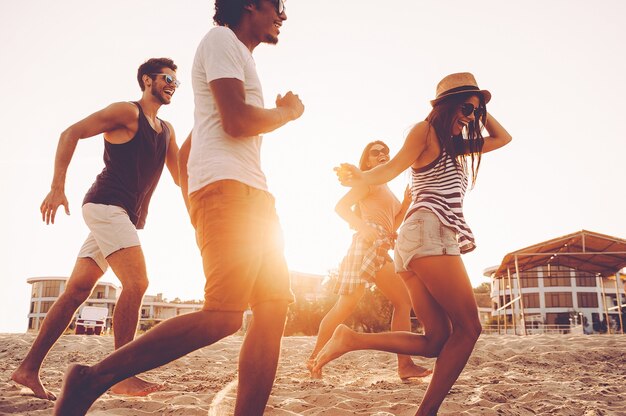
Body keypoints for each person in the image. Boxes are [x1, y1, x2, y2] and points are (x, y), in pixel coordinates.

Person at [53, 0, 304, 415]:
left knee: (273, 308)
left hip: (252, 193)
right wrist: (287, 113)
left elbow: (193, 144)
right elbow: (236, 122)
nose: (283, 15)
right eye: (277, 5)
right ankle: (91, 378)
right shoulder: (221, 39)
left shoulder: (238, 55)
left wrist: (193, 197)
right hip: (229, 191)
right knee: (224, 315)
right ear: (249, 5)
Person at [313, 72, 512, 415]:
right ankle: (427, 411)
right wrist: (360, 176)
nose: (469, 118)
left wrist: (480, 108)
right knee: (469, 328)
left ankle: (352, 339)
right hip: (428, 234)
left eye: (474, 113)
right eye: (465, 108)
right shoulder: (424, 132)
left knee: (437, 340)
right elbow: (391, 168)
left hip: (414, 240)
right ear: (446, 105)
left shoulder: (457, 146)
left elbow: (503, 138)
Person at [11, 57, 180, 400]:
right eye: (167, 78)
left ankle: (27, 369)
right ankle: (121, 375)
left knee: (77, 291)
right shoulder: (126, 112)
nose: (172, 85)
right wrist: (57, 186)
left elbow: (183, 177)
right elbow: (70, 132)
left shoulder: (167, 131)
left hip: (120, 216)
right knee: (137, 282)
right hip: (106, 206)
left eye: (175, 82)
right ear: (147, 80)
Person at [307, 140, 431, 381]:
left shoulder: (385, 187)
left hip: (382, 246)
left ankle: (404, 365)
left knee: (403, 301)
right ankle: (314, 360)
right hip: (366, 246)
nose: (383, 154)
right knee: (345, 305)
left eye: (386, 151)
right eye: (376, 152)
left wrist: (405, 204)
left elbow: (393, 225)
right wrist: (362, 227)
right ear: (368, 161)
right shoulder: (369, 181)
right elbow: (341, 207)